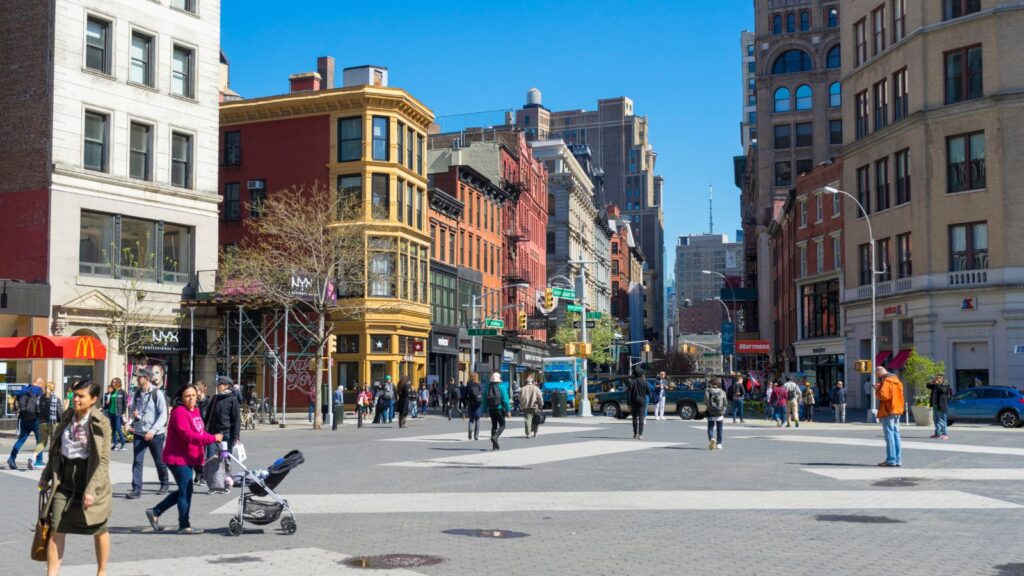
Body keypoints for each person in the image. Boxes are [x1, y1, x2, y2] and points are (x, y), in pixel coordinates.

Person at [38, 378, 112, 576]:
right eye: (74, 394)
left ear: (93, 399)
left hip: (90, 478)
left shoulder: (102, 423)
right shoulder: (67, 416)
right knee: (55, 528)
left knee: (99, 529)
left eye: (81, 396)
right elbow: (55, 450)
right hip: (64, 480)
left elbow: (103, 461)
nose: (75, 399)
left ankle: (102, 572)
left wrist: (92, 490)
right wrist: (46, 475)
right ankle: (52, 573)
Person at [145, 384, 222, 534]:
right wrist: (212, 438)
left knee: (185, 490)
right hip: (177, 458)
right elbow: (188, 435)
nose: (191, 398)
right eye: (187, 396)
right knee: (186, 491)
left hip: (188, 457)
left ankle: (155, 512)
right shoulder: (179, 412)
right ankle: (184, 525)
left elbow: (200, 432)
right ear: (181, 398)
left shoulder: (196, 411)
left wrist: (211, 438)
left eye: (193, 395)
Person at [126, 368, 170, 499]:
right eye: (137, 377)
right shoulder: (137, 394)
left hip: (155, 434)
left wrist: (152, 431)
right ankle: (136, 489)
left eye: (140, 377)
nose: (137, 379)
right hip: (139, 432)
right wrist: (130, 421)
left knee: (159, 461)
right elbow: (134, 411)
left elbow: (163, 415)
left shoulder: (157, 394)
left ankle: (164, 483)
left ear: (147, 378)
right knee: (137, 461)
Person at [8, 377, 44, 471]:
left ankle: (11, 458)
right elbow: (42, 405)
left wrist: (17, 412)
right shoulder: (39, 391)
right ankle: (38, 461)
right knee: (40, 441)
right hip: (36, 419)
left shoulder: (23, 390)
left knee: (21, 440)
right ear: (40, 384)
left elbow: (15, 404)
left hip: (24, 418)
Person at [875, 366, 905, 467]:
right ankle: (898, 459)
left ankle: (891, 460)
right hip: (897, 410)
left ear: (880, 372)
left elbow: (884, 396)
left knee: (889, 436)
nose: (877, 376)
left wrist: (877, 389)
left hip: (888, 411)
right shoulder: (897, 381)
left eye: (877, 374)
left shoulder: (887, 382)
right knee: (896, 434)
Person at [34, 382, 65, 468]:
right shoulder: (56, 399)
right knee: (53, 444)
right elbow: (59, 412)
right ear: (53, 389)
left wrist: (40, 419)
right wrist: (63, 422)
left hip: (42, 423)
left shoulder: (39, 398)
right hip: (53, 423)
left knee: (42, 443)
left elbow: (36, 411)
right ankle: (51, 462)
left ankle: (32, 458)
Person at [482, 372, 510, 450]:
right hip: (499, 409)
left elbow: (484, 400)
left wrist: (484, 411)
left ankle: (494, 446)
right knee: (503, 425)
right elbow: (505, 400)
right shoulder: (502, 387)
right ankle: (495, 437)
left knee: (494, 426)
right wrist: (508, 410)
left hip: (491, 409)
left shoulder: (487, 387)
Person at [626, 366, 650, 440]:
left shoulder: (632, 382)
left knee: (634, 418)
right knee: (641, 418)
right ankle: (640, 434)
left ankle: (635, 433)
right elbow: (649, 392)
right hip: (642, 401)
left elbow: (629, 392)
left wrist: (629, 402)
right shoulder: (645, 382)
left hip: (634, 401)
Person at [926, 375, 952, 440]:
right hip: (935, 407)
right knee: (936, 421)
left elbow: (942, 390)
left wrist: (938, 384)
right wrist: (933, 382)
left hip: (941, 407)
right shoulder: (935, 386)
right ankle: (937, 434)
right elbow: (928, 385)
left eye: (939, 378)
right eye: (937, 378)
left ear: (942, 380)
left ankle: (944, 434)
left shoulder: (945, 386)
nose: (937, 380)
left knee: (942, 421)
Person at [705, 378, 727, 450]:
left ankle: (712, 438)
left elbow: (705, 402)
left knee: (710, 429)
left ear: (711, 384)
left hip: (711, 412)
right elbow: (725, 403)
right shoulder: (722, 391)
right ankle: (719, 444)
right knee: (719, 429)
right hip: (719, 413)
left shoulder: (708, 391)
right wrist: (723, 411)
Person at [465, 373, 483, 441]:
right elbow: (482, 394)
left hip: (471, 404)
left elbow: (465, 395)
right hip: (478, 405)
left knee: (471, 420)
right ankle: (476, 436)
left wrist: (466, 402)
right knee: (477, 420)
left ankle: (470, 431)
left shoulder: (469, 386)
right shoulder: (479, 385)